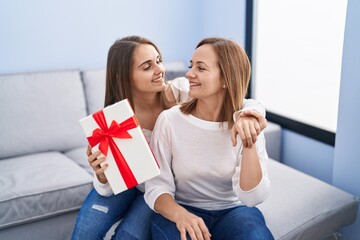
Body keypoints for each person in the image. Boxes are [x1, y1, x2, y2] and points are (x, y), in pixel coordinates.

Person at [71, 36, 268, 240]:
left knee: (128, 236)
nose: (160, 70)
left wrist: (251, 116)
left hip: (155, 188)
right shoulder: (113, 121)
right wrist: (102, 175)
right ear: (124, 76)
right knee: (84, 233)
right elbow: (107, 189)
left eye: (159, 60)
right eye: (147, 66)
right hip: (131, 185)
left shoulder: (182, 91)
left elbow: (237, 98)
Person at [144, 37, 274, 240]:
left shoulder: (248, 121)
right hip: (181, 208)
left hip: (233, 211)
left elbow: (252, 198)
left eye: (201, 68)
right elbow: (156, 187)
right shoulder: (170, 120)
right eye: (191, 65)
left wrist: (250, 141)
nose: (189, 74)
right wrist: (182, 215)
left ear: (225, 79)